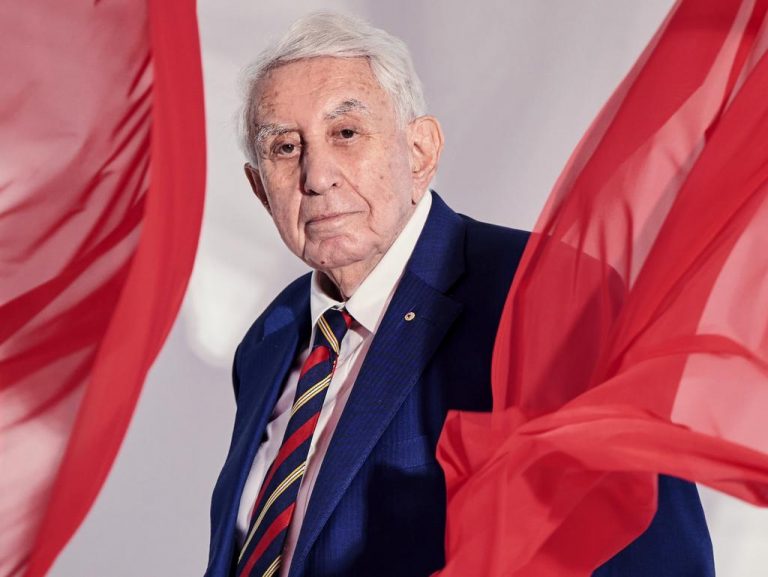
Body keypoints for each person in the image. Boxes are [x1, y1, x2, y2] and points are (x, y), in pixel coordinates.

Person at [205, 12, 714, 577]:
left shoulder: (546, 293)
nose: (317, 176)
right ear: (259, 188)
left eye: (346, 133)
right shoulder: (272, 336)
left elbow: (656, 555)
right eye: (284, 147)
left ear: (420, 150)